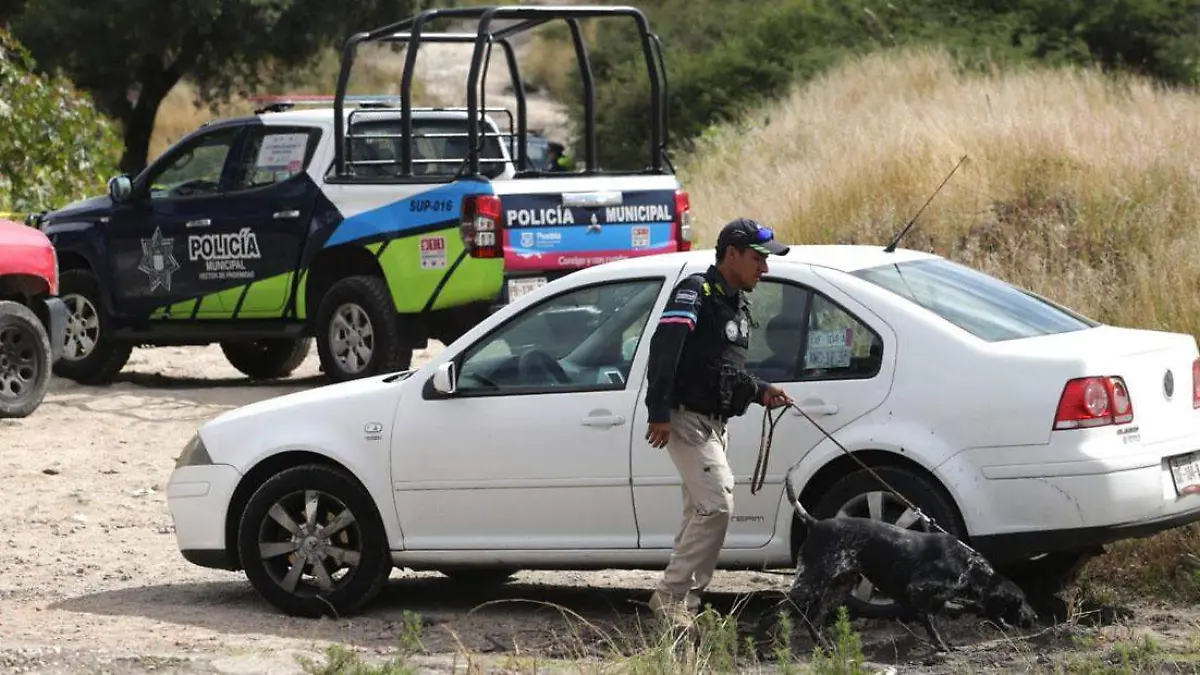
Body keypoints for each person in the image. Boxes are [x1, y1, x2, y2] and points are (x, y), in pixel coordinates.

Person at [643, 217, 795, 629]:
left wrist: (760, 390)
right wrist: (658, 412)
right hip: (685, 419)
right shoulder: (696, 291)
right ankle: (673, 600)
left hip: (715, 424)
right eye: (758, 259)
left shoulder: (735, 303)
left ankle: (681, 603)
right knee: (717, 505)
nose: (764, 268)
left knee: (699, 511)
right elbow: (664, 351)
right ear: (732, 254)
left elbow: (721, 370)